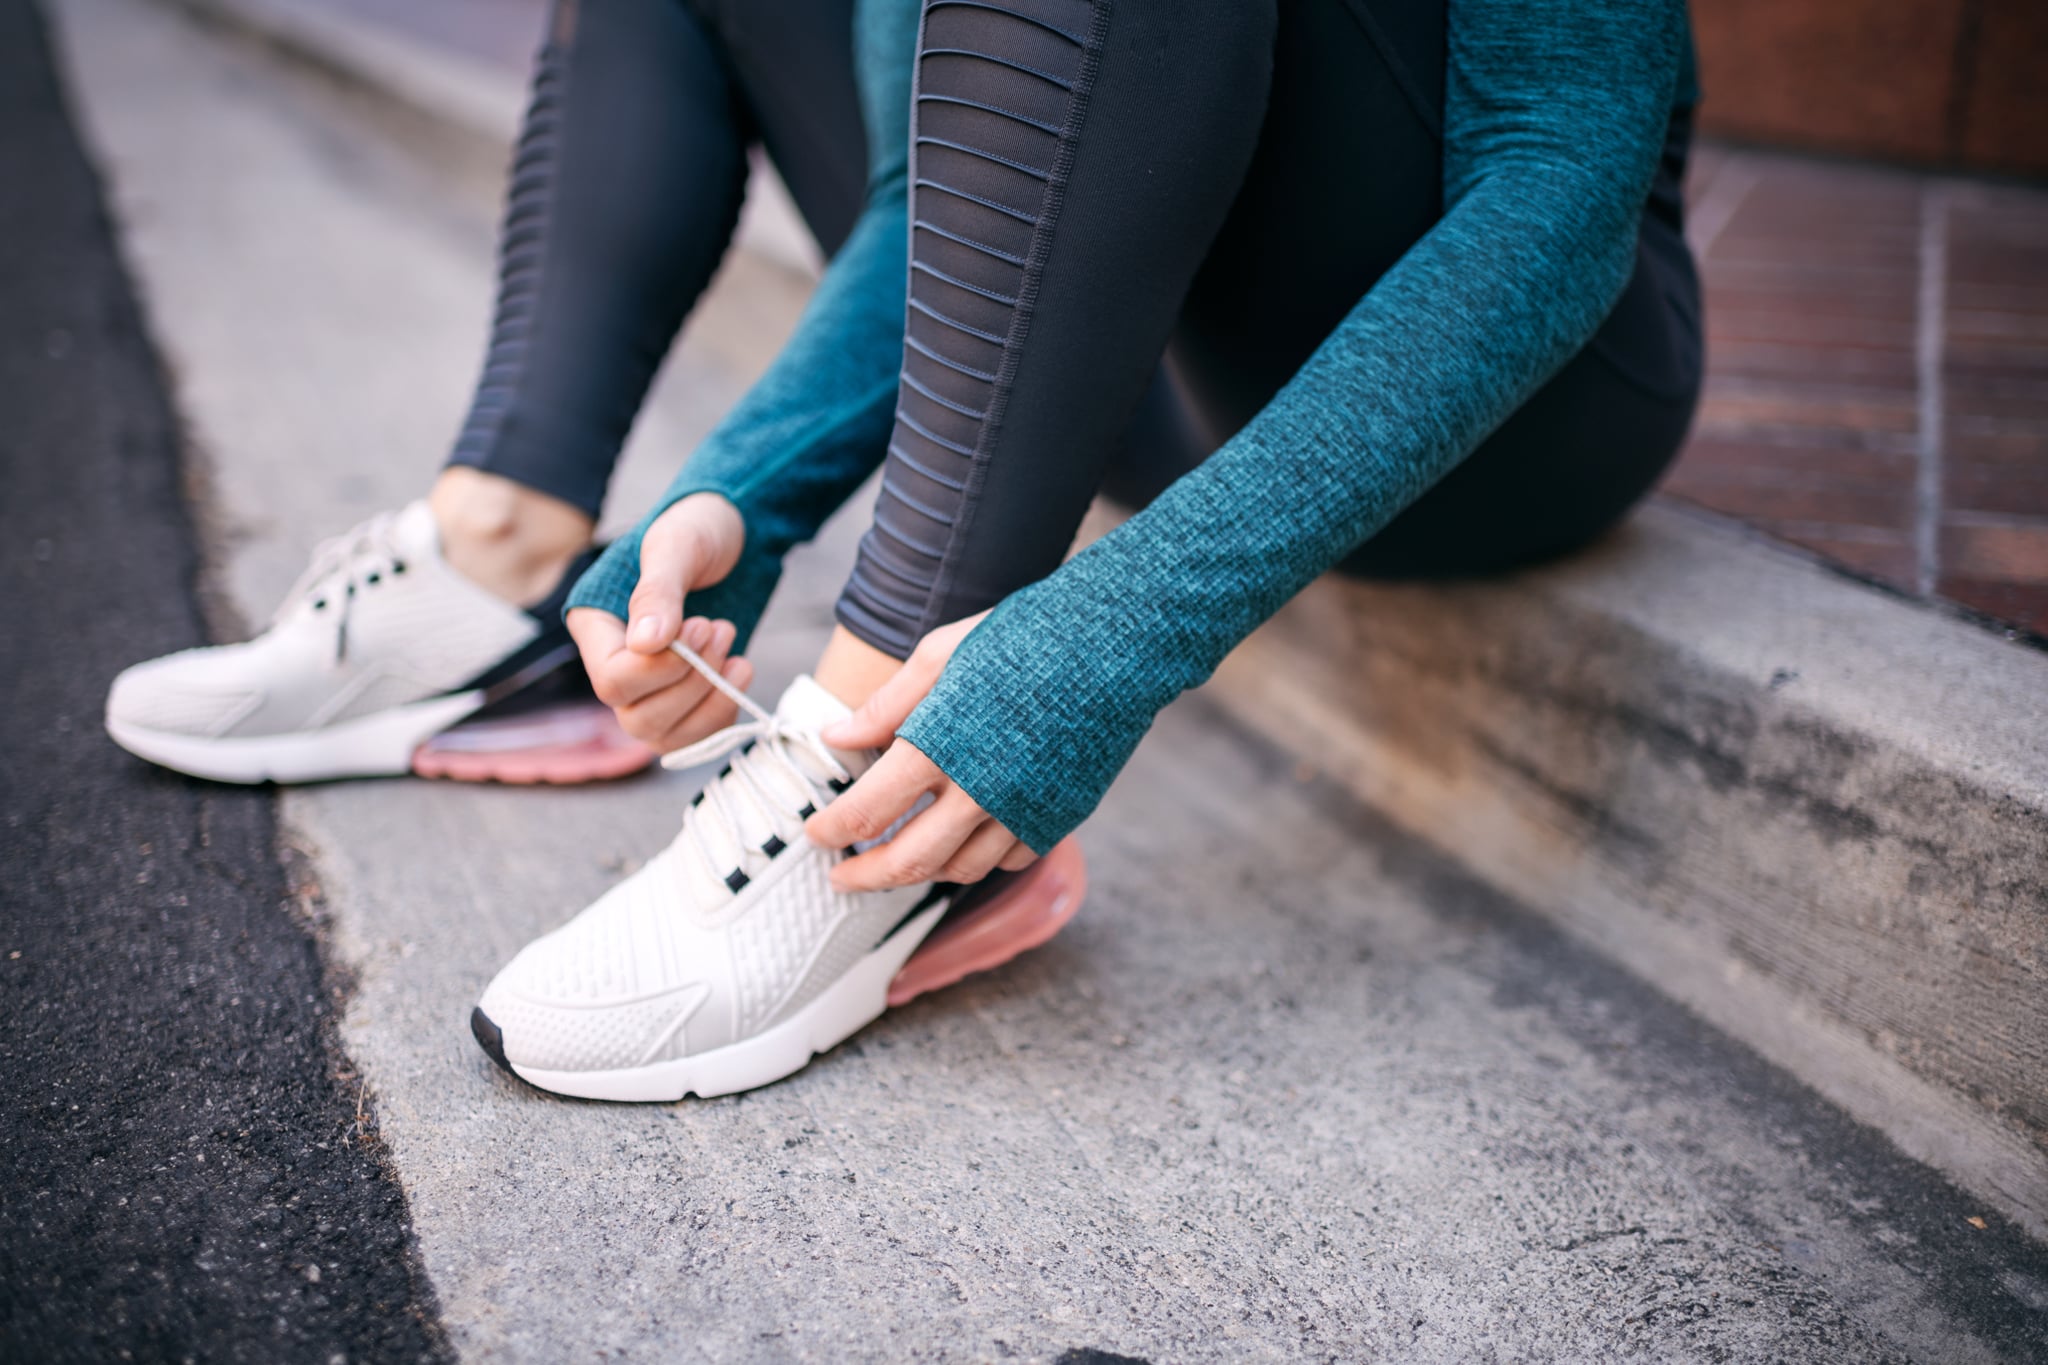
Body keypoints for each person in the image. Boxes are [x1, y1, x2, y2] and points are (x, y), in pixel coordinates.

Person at [125, 0, 1704, 1105]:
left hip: (1526, 407)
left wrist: (1105, 637)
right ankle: (502, 563)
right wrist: (746, 495)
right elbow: (979, 192)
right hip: (1171, 368)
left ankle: (868, 755)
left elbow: (1561, 181)